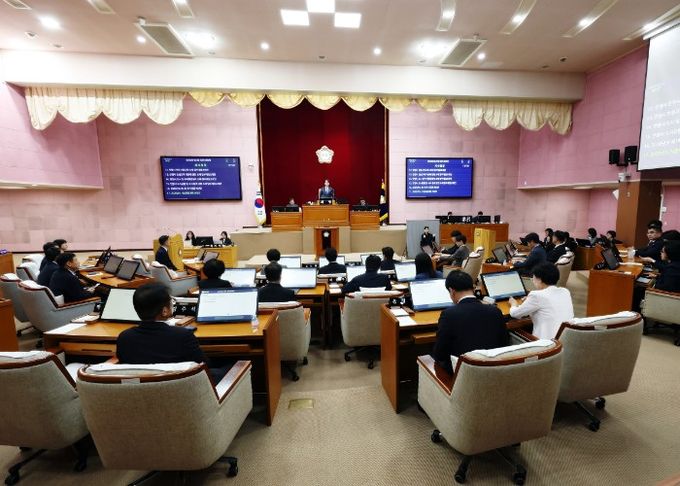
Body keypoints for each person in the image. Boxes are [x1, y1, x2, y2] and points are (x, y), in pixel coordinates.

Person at [116, 283, 230, 382]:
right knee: (232, 366)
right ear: (164, 311)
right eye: (171, 301)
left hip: (142, 392)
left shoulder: (124, 337)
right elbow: (204, 365)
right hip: (185, 391)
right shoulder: (182, 335)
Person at [431, 271, 508, 374]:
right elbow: (504, 343)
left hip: (462, 374)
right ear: (473, 288)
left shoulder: (449, 314)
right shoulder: (495, 311)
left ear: (451, 291)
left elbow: (440, 353)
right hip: (494, 371)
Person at [509, 262, 574, 339]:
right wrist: (529, 300)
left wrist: (513, 304)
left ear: (539, 280)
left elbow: (515, 314)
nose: (532, 280)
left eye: (533, 277)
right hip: (566, 340)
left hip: (546, 343)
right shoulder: (565, 291)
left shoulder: (536, 295)